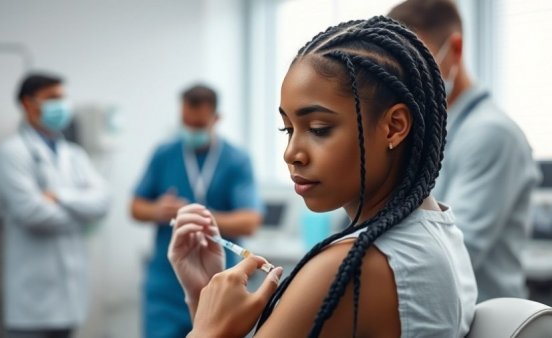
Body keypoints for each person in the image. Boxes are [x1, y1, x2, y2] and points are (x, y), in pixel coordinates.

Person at [168, 16, 477, 337]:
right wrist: (204, 297)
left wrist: (206, 331)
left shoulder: (346, 270)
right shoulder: (441, 231)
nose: (291, 153)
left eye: (318, 129)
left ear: (395, 126)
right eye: (287, 129)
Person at [388, 0, 541, 302]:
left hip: (486, 322)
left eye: (418, 61)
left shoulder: (491, 134)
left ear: (455, 50)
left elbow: (451, 256)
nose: (406, 78)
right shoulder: (422, 131)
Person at [130, 84, 262, 338]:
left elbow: (250, 221)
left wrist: (199, 217)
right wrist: (158, 210)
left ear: (216, 118)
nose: (191, 130)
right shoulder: (164, 154)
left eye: (199, 125)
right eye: (186, 123)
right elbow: (135, 207)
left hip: (217, 282)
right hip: (165, 287)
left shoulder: (236, 160)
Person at [0, 73, 110, 338]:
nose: (61, 105)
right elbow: (33, 213)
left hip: (70, 296)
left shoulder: (75, 155)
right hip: (31, 301)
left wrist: (58, 196)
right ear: (28, 104)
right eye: (52, 99)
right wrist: (84, 212)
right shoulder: (12, 153)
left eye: (62, 98)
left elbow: (103, 202)